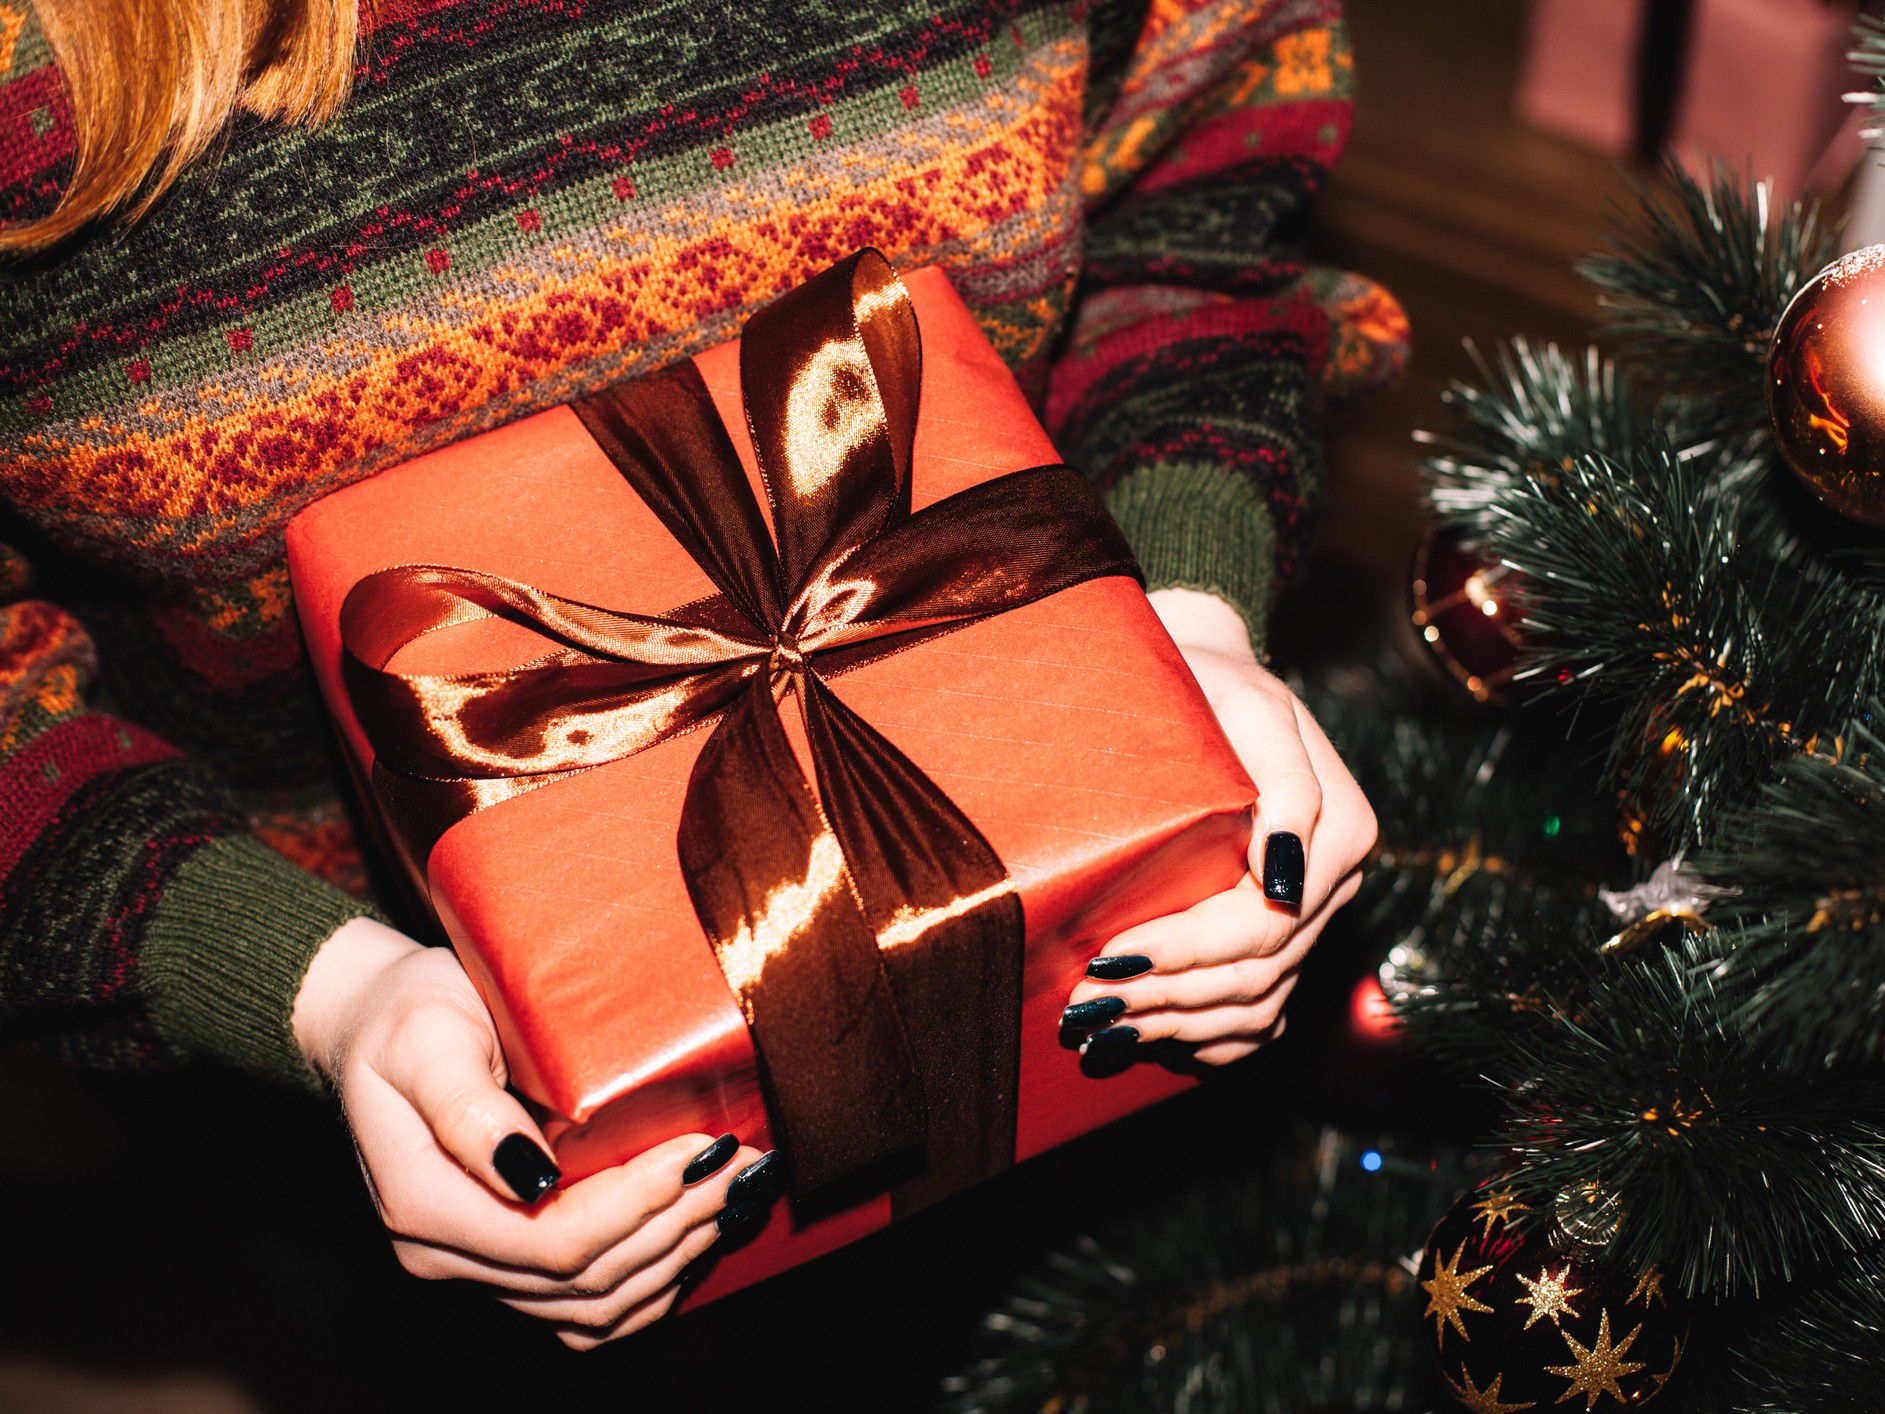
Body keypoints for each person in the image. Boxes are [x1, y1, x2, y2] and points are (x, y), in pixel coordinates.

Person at [0, 0, 1402, 1350]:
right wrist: (316, 989)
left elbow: (1192, 213)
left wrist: (1193, 626)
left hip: (1113, 993)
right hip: (393, 1116)